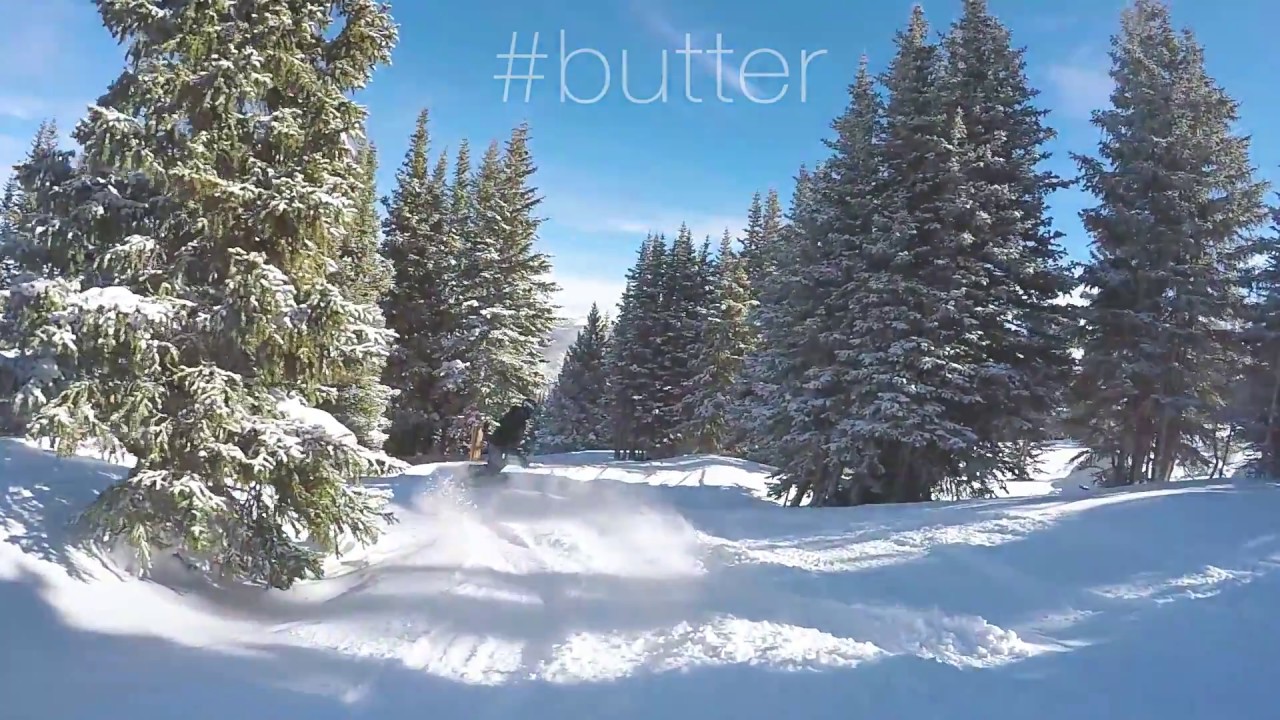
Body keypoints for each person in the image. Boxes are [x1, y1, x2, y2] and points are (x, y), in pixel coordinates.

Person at [484, 398, 536, 472]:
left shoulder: (519, 416)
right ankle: (476, 479)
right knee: (496, 466)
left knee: (500, 465)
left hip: (502, 443)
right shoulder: (518, 416)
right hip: (499, 443)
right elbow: (510, 430)